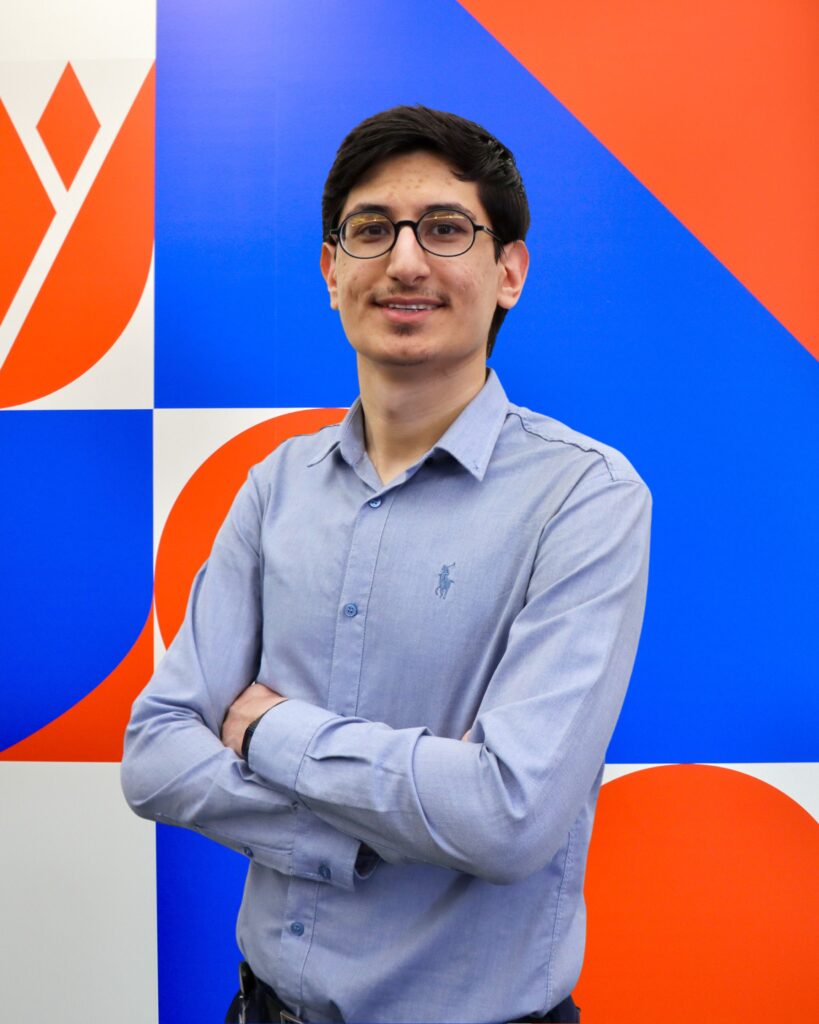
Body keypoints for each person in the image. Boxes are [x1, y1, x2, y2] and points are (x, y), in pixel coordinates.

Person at [122, 105, 651, 1024]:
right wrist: (354, 833)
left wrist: (267, 731)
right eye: (371, 231)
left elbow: (507, 815)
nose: (405, 262)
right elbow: (158, 752)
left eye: (445, 230)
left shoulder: (586, 497)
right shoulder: (275, 485)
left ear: (509, 273)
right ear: (332, 272)